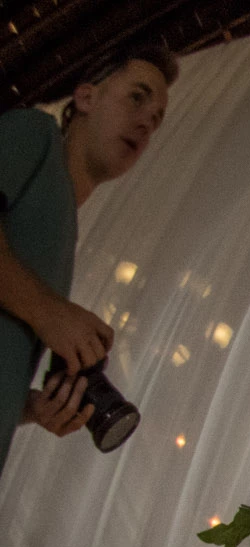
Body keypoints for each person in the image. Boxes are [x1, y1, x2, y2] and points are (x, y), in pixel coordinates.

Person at [0, 46, 174, 477]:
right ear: (85, 97)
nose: (145, 123)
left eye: (156, 120)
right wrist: (49, 312)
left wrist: (34, 408)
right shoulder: (33, 134)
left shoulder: (62, 229)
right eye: (137, 97)